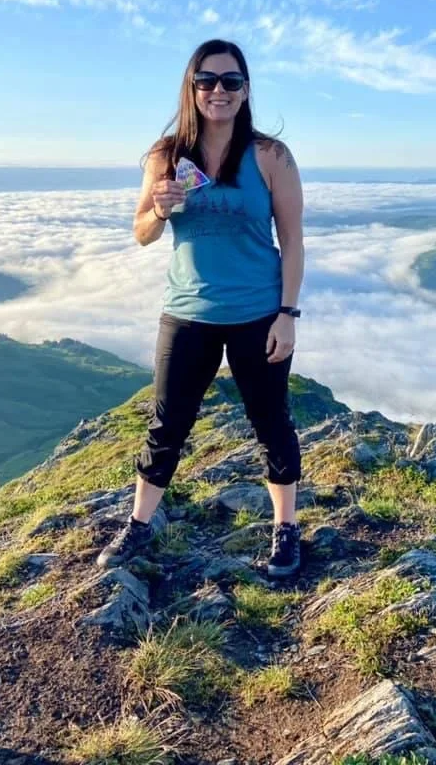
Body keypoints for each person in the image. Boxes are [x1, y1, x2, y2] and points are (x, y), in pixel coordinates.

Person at [97, 39, 305, 578]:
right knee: (167, 424)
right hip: (188, 312)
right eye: (207, 81)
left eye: (230, 81)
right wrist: (159, 211)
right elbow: (141, 232)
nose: (219, 90)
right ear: (191, 88)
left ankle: (285, 528)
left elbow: (294, 241)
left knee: (270, 421)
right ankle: (139, 524)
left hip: (258, 313)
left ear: (245, 89)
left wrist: (288, 314)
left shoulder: (271, 157)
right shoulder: (167, 156)